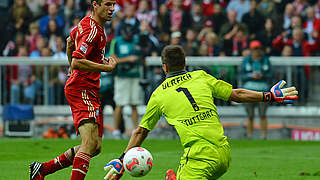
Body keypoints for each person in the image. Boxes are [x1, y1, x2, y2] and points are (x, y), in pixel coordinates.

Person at [103, 45, 298, 180]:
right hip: (224, 153)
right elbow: (236, 94)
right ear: (185, 63)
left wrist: (122, 160)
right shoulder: (201, 77)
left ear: (164, 67)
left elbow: (140, 132)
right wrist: (269, 96)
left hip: (199, 157)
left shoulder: (159, 94)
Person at [29, 0, 117, 180]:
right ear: (95, 4)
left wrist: (71, 67)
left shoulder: (87, 23)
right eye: (107, 4)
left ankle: (43, 169)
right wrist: (105, 68)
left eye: (114, 4)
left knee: (96, 146)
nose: (112, 9)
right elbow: (78, 60)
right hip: (82, 88)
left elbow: (70, 43)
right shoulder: (93, 31)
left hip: (88, 88)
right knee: (89, 143)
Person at [109, 23, 143, 139]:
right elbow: (112, 59)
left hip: (135, 75)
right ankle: (116, 130)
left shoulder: (137, 40)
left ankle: (135, 130)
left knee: (135, 104)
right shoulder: (117, 41)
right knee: (120, 104)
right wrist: (128, 59)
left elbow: (143, 54)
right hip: (121, 76)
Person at [241, 40, 272, 139]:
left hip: (263, 90)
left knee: (263, 114)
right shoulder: (246, 60)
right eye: (254, 49)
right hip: (249, 90)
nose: (256, 51)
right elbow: (240, 75)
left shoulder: (266, 60)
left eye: (258, 49)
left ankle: (264, 135)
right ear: (251, 50)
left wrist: (263, 75)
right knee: (250, 115)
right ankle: (249, 135)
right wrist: (251, 76)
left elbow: (271, 74)